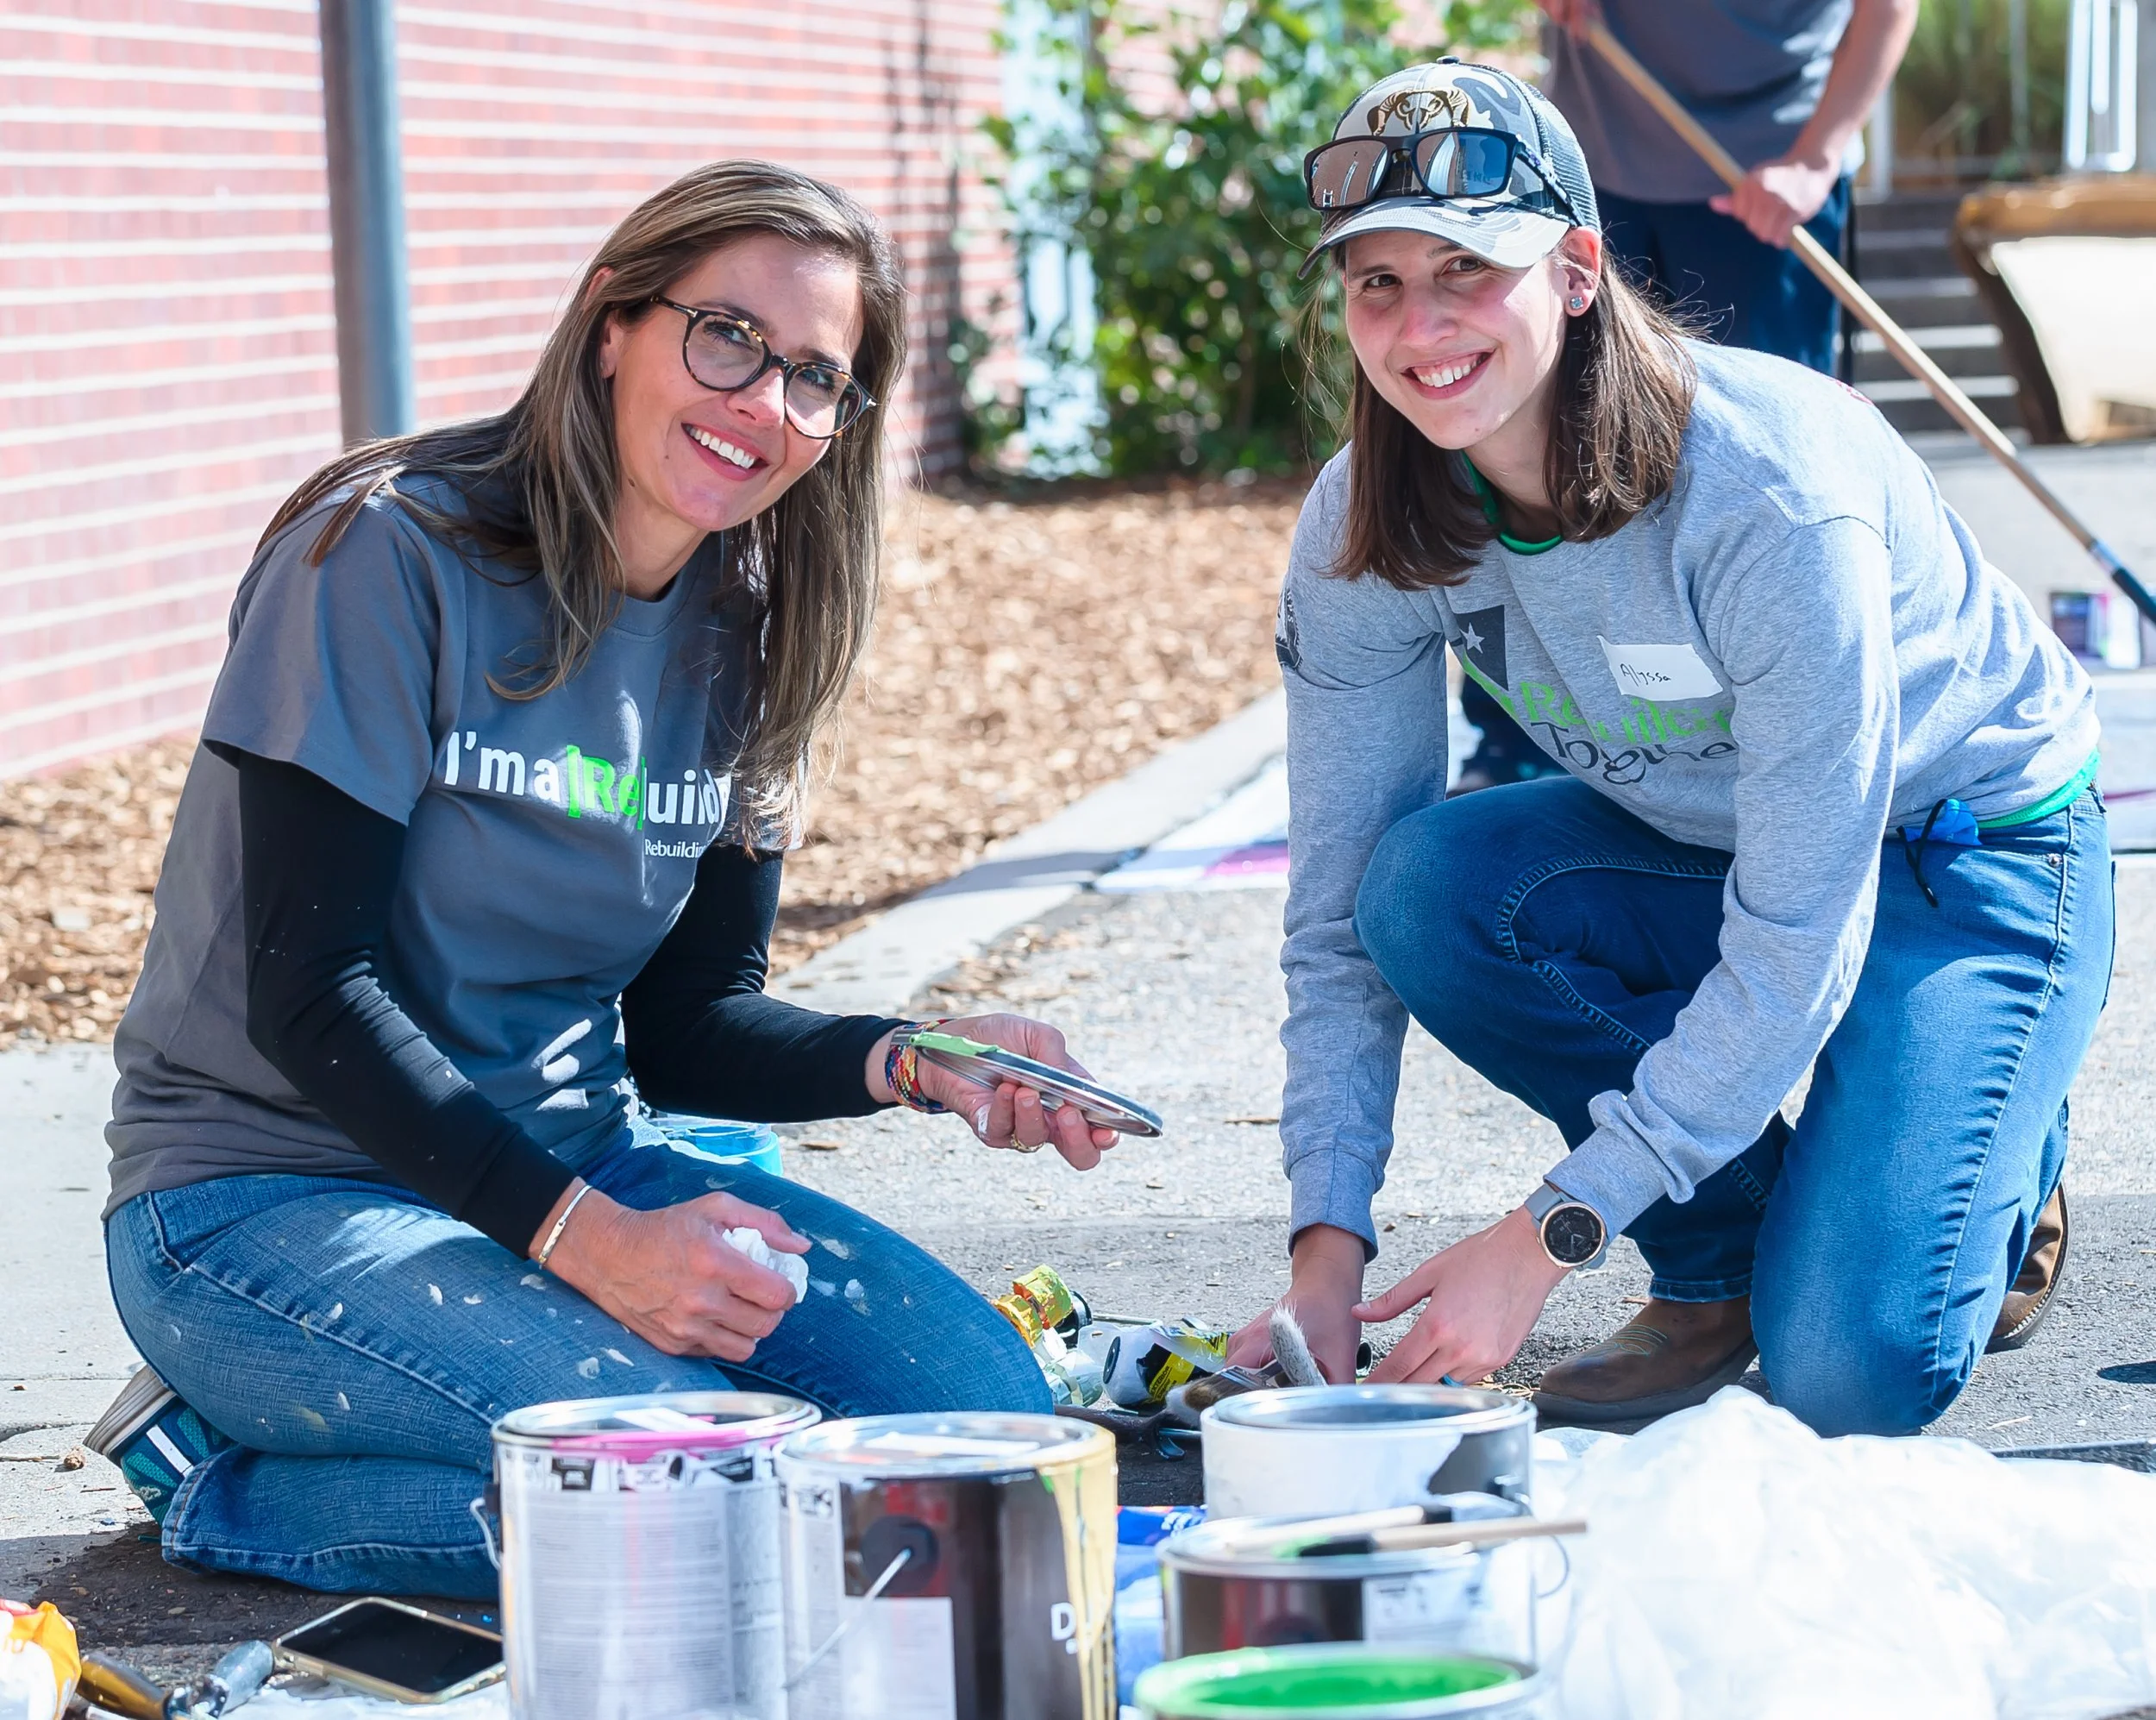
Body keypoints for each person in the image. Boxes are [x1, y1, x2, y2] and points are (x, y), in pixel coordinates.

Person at [90, 161, 1117, 1597]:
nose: (765, 400)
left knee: (986, 1441)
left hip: (577, 1164)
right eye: (729, 338)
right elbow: (307, 987)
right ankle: (217, 1475)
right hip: (265, 1197)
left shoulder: (754, 625)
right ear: (611, 326)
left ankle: (505, 1433)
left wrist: (916, 1056)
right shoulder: (389, 552)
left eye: (816, 375)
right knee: (694, 1494)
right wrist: (594, 1246)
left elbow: (688, 1023)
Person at [1230, 61, 2109, 1434]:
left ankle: (1985, 1123)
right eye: (1377, 284)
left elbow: (1802, 925)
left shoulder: (1768, 495)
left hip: (1967, 850)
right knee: (1418, 889)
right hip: (1713, 842)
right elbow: (1335, 916)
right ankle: (1720, 1260)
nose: (1419, 327)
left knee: (1848, 1375)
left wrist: (1552, 1231)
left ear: (1578, 270)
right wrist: (1323, 1252)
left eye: (1467, 268)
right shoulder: (1367, 523)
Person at [1451, 0, 1918, 791]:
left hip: (1768, 181)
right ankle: (1519, 741)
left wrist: (1816, 157)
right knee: (1539, 442)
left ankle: (1773, 734)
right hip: (1592, 168)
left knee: (1760, 479)